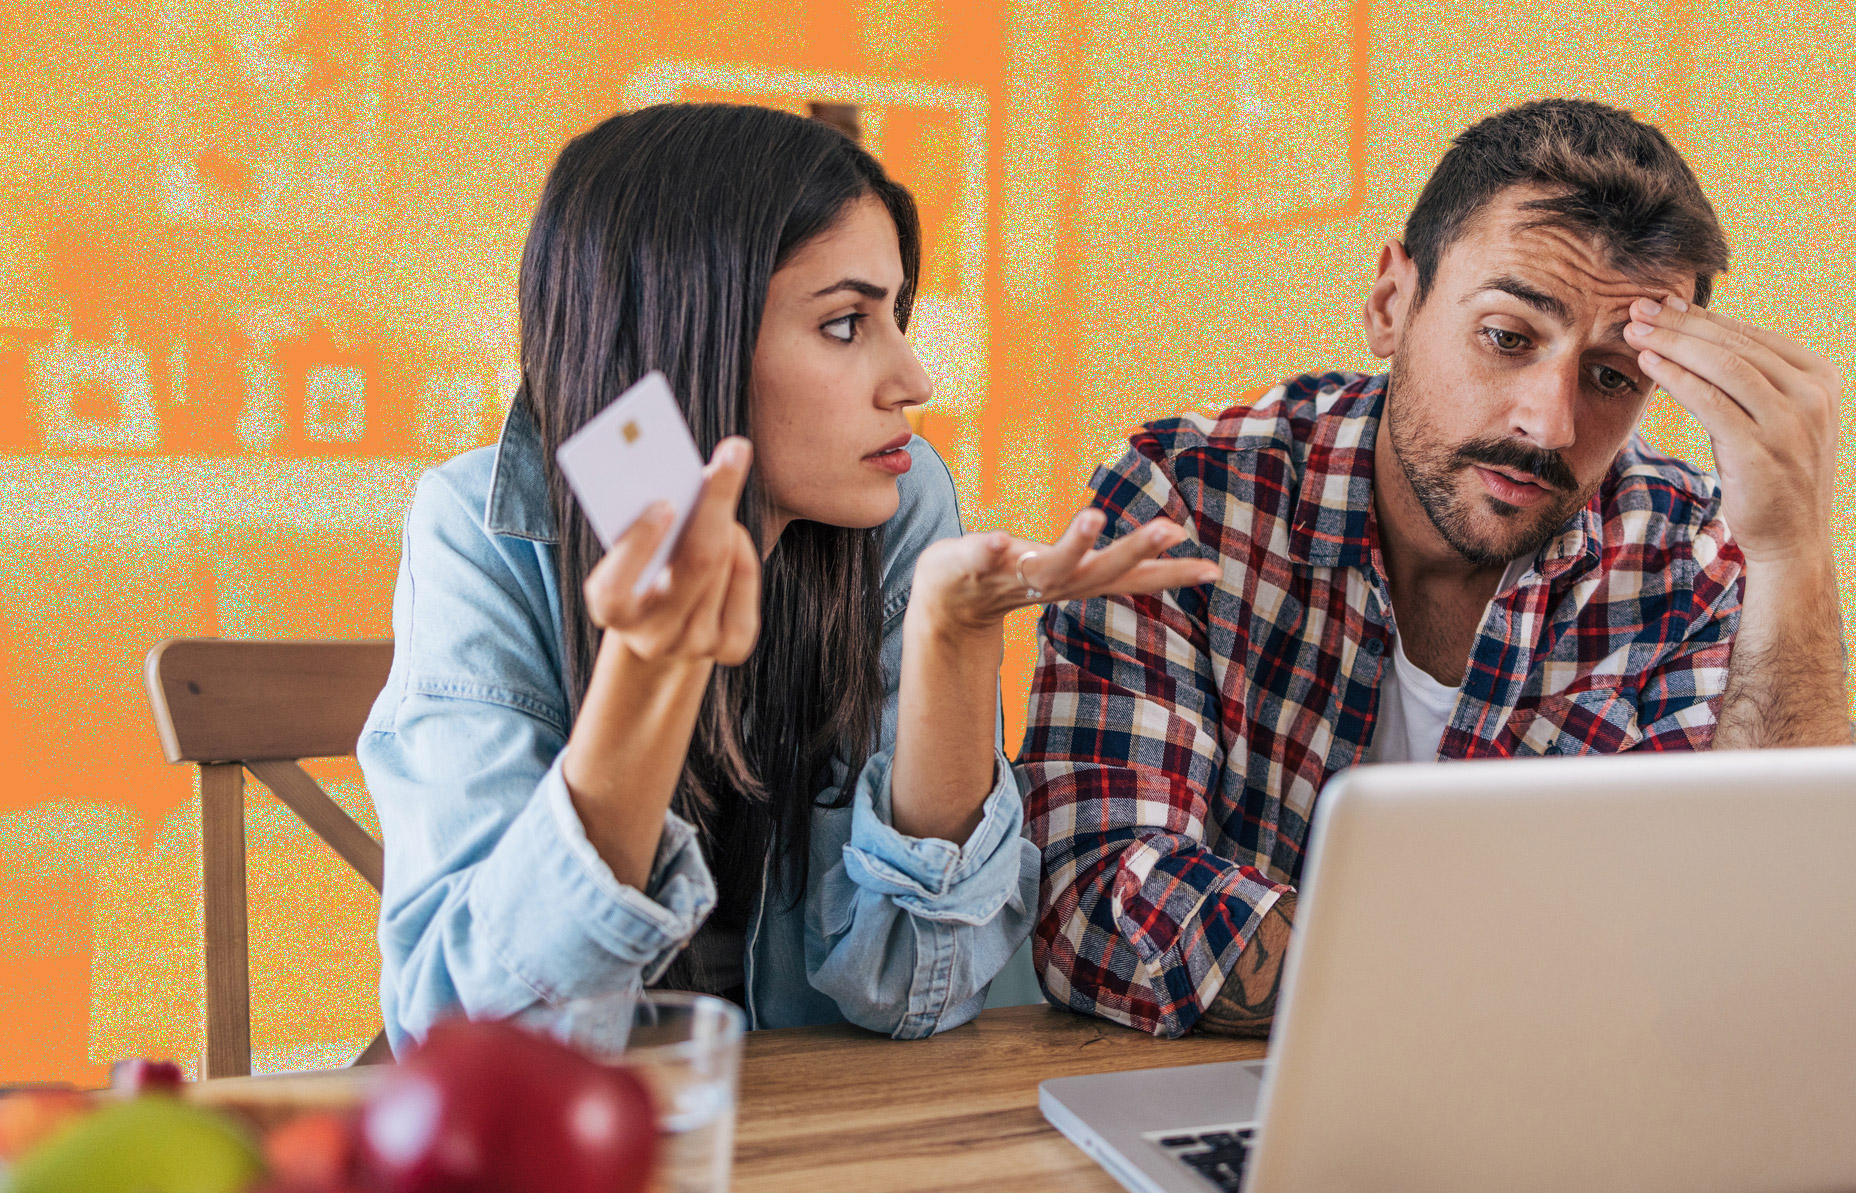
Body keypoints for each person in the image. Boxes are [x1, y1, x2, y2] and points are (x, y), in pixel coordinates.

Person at [358, 103, 1216, 1047]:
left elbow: (917, 989)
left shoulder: (898, 499)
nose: (915, 377)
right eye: (846, 323)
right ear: (681, 334)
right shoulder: (481, 531)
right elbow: (482, 1043)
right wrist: (651, 668)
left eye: (896, 315)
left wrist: (956, 640)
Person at [1019, 98, 1855, 1039]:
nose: (1550, 422)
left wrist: (1792, 553)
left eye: (1614, 375)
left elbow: (1772, 943)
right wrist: (1528, 981)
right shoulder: (1188, 501)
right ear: (1390, 305)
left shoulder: (1683, 555)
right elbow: (1093, 888)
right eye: (1507, 336)